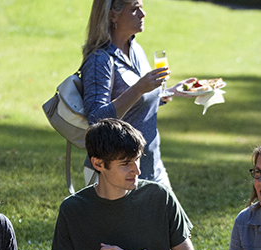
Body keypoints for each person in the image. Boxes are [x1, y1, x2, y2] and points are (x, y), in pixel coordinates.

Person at [51, 118, 194, 250]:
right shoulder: (72, 209)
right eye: (125, 164)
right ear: (98, 164)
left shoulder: (160, 197)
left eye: (137, 159)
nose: (137, 170)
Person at [81, 0, 196, 187]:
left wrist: (170, 92)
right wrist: (138, 88)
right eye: (135, 9)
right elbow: (95, 119)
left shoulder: (136, 49)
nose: (143, 14)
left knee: (172, 217)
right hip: (117, 172)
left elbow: (138, 104)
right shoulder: (99, 60)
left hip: (151, 164)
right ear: (112, 15)